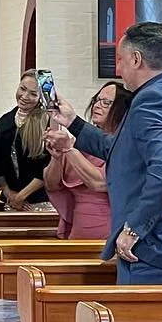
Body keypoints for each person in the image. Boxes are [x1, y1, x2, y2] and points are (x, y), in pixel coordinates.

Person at [46, 22, 162, 284]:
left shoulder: (150, 100)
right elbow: (119, 150)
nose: (117, 69)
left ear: (136, 59)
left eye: (120, 60)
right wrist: (74, 121)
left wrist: (134, 229)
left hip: (152, 251)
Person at [43, 81, 130, 238]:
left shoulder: (124, 143)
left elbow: (100, 183)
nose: (97, 106)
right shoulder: (81, 142)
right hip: (79, 224)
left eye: (106, 102)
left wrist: (69, 149)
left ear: (121, 109)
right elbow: (51, 184)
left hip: (108, 226)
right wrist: (56, 158)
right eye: (97, 100)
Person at [0, 71, 52, 209]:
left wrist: (22, 196)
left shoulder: (47, 123)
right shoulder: (5, 121)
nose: (25, 96)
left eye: (33, 94)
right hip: (11, 199)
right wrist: (8, 193)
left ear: (41, 97)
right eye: (22, 89)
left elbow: (47, 166)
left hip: (40, 201)